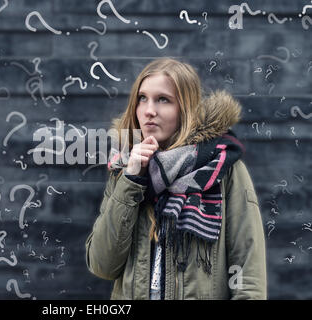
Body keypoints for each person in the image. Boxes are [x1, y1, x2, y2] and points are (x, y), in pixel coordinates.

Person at [85, 57, 267, 300]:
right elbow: (102, 265)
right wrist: (131, 180)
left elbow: (248, 274)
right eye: (142, 98)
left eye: (163, 99)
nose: (149, 110)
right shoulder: (124, 168)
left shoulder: (222, 168)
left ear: (186, 108)